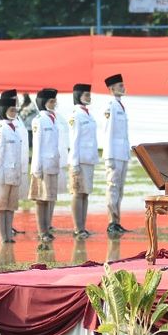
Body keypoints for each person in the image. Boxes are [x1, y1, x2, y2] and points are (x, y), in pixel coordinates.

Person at [0, 96, 24, 243]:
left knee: (10, 207)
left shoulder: (15, 127)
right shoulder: (0, 129)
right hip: (2, 174)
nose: (14, 112)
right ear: (4, 111)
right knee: (0, 207)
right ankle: (3, 237)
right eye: (11, 110)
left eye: (15, 110)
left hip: (14, 173)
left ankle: (9, 235)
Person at [29, 89, 61, 244]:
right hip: (42, 165)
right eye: (51, 101)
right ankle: (42, 231)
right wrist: (36, 168)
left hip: (53, 163)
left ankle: (47, 226)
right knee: (41, 200)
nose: (54, 104)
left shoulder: (54, 119)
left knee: (49, 199)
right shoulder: (39, 120)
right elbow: (37, 145)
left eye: (54, 101)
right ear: (43, 103)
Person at [68, 83, 99, 238]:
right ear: (78, 96)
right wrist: (74, 163)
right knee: (78, 193)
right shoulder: (76, 115)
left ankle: (83, 226)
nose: (89, 97)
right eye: (86, 95)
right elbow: (74, 140)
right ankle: (77, 227)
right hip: (79, 160)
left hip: (89, 159)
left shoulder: (89, 114)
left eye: (89, 94)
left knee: (85, 193)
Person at [102, 74, 131, 235]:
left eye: (122, 84)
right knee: (112, 188)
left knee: (119, 189)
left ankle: (117, 220)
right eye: (120, 85)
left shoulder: (120, 105)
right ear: (111, 89)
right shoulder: (111, 105)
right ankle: (112, 221)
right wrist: (109, 156)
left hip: (122, 153)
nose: (123, 87)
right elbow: (109, 132)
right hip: (113, 154)